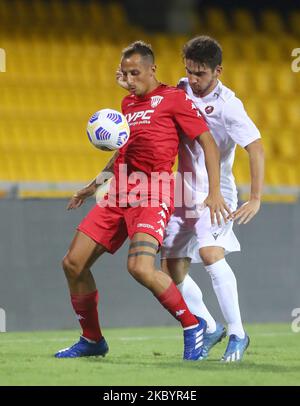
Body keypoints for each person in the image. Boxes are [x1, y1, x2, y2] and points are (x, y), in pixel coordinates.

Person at [55, 41, 230, 360]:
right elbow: (124, 151)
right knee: (73, 263)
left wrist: (214, 191)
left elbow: (208, 142)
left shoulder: (174, 99)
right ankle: (92, 340)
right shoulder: (127, 104)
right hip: (119, 191)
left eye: (136, 72)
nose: (129, 78)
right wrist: (92, 186)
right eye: (125, 73)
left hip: (154, 192)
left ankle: (193, 327)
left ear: (153, 70)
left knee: (139, 266)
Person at [161, 36, 265, 362]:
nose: (193, 79)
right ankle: (208, 325)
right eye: (189, 71)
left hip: (217, 194)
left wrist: (256, 197)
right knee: (171, 267)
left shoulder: (229, 105)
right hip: (183, 191)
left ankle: (237, 333)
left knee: (209, 253)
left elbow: (256, 148)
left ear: (218, 71)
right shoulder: (181, 88)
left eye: (200, 73)